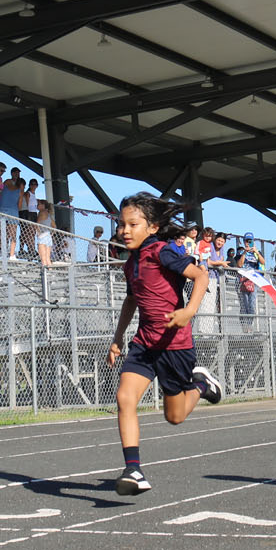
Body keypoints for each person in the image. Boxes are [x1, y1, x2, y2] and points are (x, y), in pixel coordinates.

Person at [107, 193, 222, 495]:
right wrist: (118, 337)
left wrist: (188, 311)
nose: (125, 230)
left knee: (175, 417)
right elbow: (131, 300)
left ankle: (201, 385)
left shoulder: (162, 252)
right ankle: (134, 469)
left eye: (133, 224)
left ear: (153, 227)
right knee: (124, 398)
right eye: (122, 225)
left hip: (174, 345)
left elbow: (201, 276)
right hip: (144, 344)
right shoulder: (129, 264)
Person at [236, 232, 264, 330]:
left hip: (253, 280)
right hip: (242, 280)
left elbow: (263, 262)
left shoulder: (257, 252)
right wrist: (244, 252)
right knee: (244, 304)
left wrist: (256, 252)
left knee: (252, 304)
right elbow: (239, 265)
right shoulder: (240, 252)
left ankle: (249, 324)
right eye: (246, 241)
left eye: (250, 241)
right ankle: (244, 325)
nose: (248, 243)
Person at [0, 168, 23, 258]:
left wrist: (18, 210)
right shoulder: (8, 181)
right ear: (12, 173)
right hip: (4, 208)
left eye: (18, 173)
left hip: (13, 210)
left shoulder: (20, 186)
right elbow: (11, 188)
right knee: (0, 230)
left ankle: (11, 254)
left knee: (13, 233)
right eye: (15, 172)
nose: (17, 174)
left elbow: (20, 199)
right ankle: (1, 250)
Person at [19, 178, 40, 257]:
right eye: (32, 184)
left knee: (32, 232)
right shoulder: (28, 193)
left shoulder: (33, 194)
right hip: (29, 213)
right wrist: (27, 213)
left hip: (34, 213)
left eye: (35, 184)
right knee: (26, 232)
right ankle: (24, 248)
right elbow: (27, 204)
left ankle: (31, 248)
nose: (33, 186)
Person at [35, 199, 55, 268]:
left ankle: (45, 273)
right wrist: (51, 233)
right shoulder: (48, 214)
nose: (37, 205)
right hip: (48, 235)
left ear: (43, 205)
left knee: (43, 257)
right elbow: (54, 226)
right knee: (47, 258)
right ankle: (50, 272)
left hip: (42, 235)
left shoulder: (41, 212)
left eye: (38, 204)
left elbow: (37, 224)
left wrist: (38, 233)